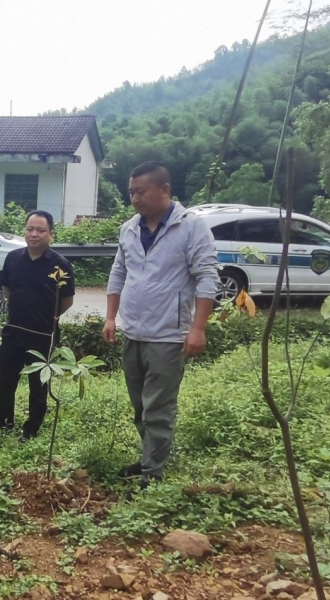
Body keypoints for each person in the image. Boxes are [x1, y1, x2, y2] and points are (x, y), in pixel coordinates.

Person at [102, 161, 219, 490]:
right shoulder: (129, 229)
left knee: (158, 407)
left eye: (140, 191)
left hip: (168, 336)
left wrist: (198, 328)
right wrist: (111, 317)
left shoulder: (191, 227)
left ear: (164, 189)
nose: (134, 199)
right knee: (140, 405)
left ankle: (152, 474)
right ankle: (149, 458)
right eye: (131, 192)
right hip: (133, 332)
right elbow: (118, 273)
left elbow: (207, 277)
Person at [0, 210, 75, 442]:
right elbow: (7, 290)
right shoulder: (13, 258)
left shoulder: (60, 266)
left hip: (43, 334)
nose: (34, 234)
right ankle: (2, 422)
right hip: (14, 331)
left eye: (40, 230)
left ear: (50, 234)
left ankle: (31, 428)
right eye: (30, 229)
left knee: (38, 385)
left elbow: (67, 301)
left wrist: (47, 317)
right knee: (6, 379)